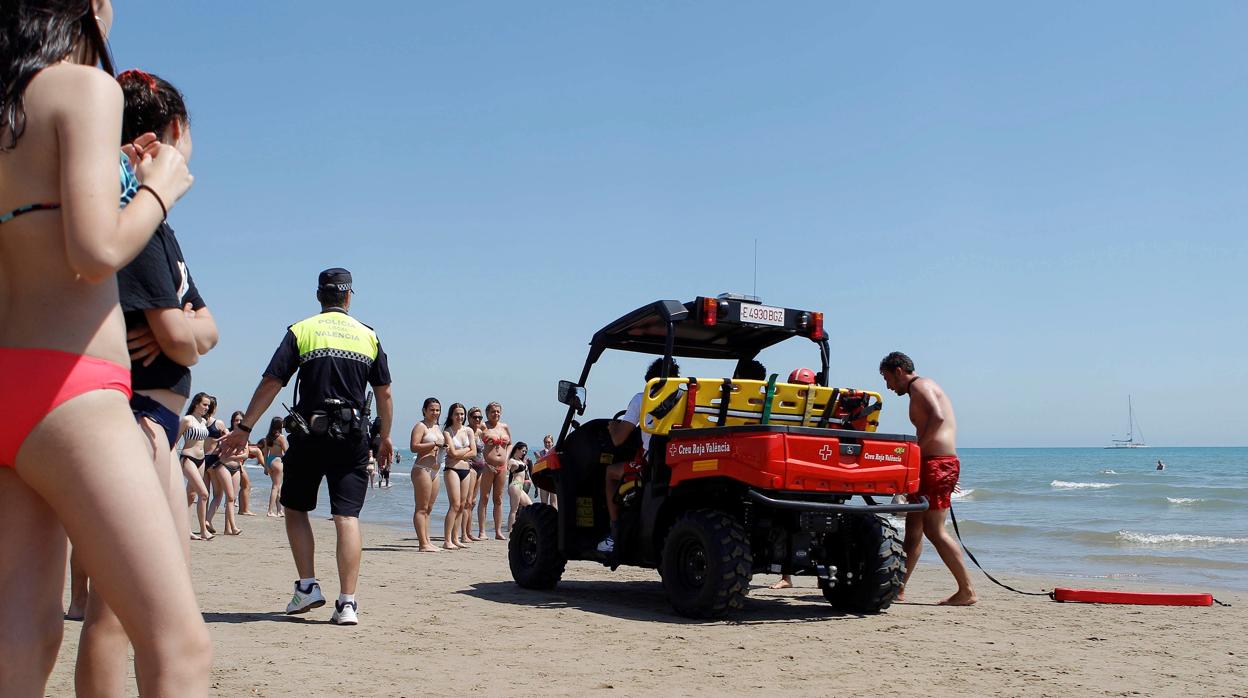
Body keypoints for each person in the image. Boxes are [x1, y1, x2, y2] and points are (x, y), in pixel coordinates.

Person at [0, 4, 210, 694]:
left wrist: (114, 173)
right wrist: (158, 186)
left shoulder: (9, 108)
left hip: (9, 376)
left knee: (22, 635)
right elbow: (95, 253)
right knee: (176, 644)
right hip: (73, 390)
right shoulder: (87, 88)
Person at [220, 268, 394, 626]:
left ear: (319, 297)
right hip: (352, 437)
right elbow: (384, 392)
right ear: (349, 297)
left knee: (296, 508)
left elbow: (272, 382)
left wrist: (245, 427)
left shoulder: (302, 331)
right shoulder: (368, 336)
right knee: (347, 517)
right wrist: (385, 436)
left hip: (309, 435)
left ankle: (308, 585)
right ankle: (347, 604)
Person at [879, 351, 976, 606]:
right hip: (933, 464)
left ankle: (966, 590)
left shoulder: (920, 386)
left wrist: (916, 450)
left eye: (887, 378)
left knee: (934, 530)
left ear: (899, 371)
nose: (888, 386)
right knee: (913, 531)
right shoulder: (921, 387)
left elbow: (938, 417)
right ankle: (898, 589)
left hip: (936, 464)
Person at [599, 359, 676, 554]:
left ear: (651, 380)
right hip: (678, 461)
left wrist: (613, 427)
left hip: (653, 465)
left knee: (609, 472)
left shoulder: (642, 399)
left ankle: (614, 532)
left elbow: (618, 439)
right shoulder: (685, 398)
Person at [768, 366, 816, 591]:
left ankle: (787, 577)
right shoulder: (823, 407)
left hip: (794, 470)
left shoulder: (783, 404)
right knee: (798, 526)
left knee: (787, 525)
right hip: (811, 471)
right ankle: (791, 577)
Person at [409, 397, 444, 552]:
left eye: (437, 410)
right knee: (421, 507)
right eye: (432, 410)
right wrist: (434, 444)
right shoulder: (420, 426)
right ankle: (422, 544)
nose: (435, 413)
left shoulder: (437, 428)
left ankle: (427, 540)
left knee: (429, 508)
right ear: (424, 410)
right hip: (422, 468)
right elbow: (414, 447)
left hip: (435, 471)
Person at [180, 393, 215, 539]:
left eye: (208, 405)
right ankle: (202, 530)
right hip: (188, 458)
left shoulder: (203, 421)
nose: (207, 407)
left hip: (201, 460)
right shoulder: (187, 420)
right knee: (204, 494)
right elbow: (174, 440)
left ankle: (185, 530)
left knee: (191, 495)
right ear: (196, 404)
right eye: (204, 404)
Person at [442, 402, 475, 549]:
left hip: (466, 470)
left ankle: (456, 538)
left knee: (462, 505)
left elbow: (474, 452)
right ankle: (447, 539)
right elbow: (452, 454)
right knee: (454, 504)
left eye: (462, 414)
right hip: (452, 469)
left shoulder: (468, 431)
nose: (460, 416)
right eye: (457, 414)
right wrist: (466, 450)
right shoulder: (447, 432)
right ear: (451, 415)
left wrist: (461, 453)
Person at [478, 401, 512, 540]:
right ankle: (482, 531)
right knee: (484, 497)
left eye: (498, 411)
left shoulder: (504, 427)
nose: (496, 414)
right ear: (487, 413)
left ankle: (498, 531)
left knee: (498, 499)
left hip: (502, 466)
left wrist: (507, 458)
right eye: (493, 411)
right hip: (487, 465)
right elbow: (476, 442)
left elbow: (510, 444)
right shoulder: (483, 426)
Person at [260, 417, 287, 516]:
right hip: (278, 461)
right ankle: (270, 511)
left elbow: (265, 452)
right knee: (276, 487)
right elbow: (286, 452)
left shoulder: (268, 437)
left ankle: (279, 510)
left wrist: (265, 466)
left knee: (277, 487)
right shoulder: (281, 437)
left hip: (270, 461)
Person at [506, 442, 533, 531]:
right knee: (514, 509)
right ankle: (510, 530)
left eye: (525, 451)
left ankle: (521, 527)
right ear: (517, 449)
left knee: (530, 506)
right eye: (523, 451)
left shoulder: (521, 461)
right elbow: (506, 471)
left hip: (520, 487)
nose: (524, 453)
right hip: (515, 485)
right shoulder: (512, 461)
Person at [534, 433, 557, 508]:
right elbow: (538, 467)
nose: (547, 444)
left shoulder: (555, 452)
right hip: (543, 478)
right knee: (544, 504)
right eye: (546, 442)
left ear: (552, 443)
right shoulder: (540, 453)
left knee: (553, 503)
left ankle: (554, 518)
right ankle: (544, 518)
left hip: (553, 478)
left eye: (549, 442)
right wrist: (538, 459)